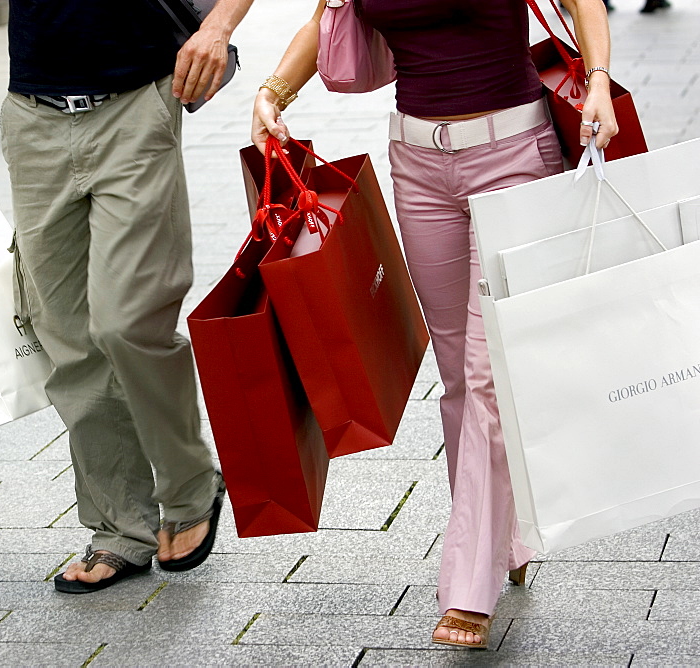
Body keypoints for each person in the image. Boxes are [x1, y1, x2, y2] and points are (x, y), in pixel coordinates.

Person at [252, 0, 617, 649]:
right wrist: (272, 92)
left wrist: (597, 82)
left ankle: (469, 588)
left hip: (515, 158)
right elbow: (325, 19)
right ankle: (502, 533)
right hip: (418, 165)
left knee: (487, 374)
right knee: (457, 373)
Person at [0, 0, 254, 593]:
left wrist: (217, 27)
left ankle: (189, 485)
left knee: (128, 320)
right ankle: (120, 529)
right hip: (35, 123)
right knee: (67, 336)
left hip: (135, 109)